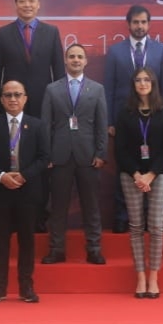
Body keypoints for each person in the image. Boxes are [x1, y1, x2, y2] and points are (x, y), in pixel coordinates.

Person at [103, 5, 163, 233]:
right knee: (125, 165)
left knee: (153, 166)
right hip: (125, 120)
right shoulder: (115, 51)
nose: (140, 26)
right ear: (128, 24)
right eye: (135, 22)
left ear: (149, 24)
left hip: (154, 120)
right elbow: (110, 88)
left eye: (143, 22)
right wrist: (109, 121)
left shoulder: (160, 50)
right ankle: (124, 217)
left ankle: (150, 218)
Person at [0, 80, 49, 303]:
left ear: (25, 98)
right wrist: (1, 176)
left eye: (17, 94)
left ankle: (26, 288)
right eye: (8, 95)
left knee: (27, 242)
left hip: (27, 191)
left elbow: (44, 157)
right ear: (1, 99)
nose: (12, 99)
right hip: (0, 191)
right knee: (0, 242)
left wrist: (24, 175)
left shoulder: (37, 125)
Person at [40, 43, 108, 265]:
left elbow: (102, 124)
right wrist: (46, 155)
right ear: (65, 61)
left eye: (80, 56)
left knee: (91, 206)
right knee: (57, 207)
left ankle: (94, 249)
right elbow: (45, 125)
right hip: (59, 157)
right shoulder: (52, 89)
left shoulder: (97, 89)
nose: (76, 60)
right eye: (72, 57)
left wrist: (101, 153)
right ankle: (57, 249)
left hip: (88, 157)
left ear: (86, 61)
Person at [114, 67, 163, 298]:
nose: (142, 83)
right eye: (138, 80)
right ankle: (140, 276)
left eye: (146, 79)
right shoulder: (125, 112)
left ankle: (154, 277)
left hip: (159, 174)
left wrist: (152, 174)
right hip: (131, 174)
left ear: (153, 83)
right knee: (137, 227)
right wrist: (136, 174)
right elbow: (119, 149)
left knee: (156, 227)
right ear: (133, 84)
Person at [0, 0, 64, 118]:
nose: (27, 5)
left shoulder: (51, 32)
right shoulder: (3, 33)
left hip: (44, 102)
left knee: (42, 138)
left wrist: (60, 105)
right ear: (16, 5)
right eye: (22, 1)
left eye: (31, 0)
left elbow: (59, 72)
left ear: (38, 4)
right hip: (12, 102)